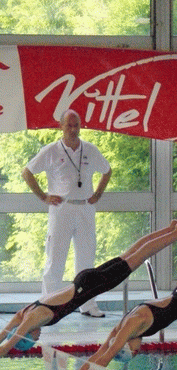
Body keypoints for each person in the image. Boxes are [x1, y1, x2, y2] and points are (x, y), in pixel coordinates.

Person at [0, 220, 177, 358]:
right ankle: (170, 228)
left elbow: (8, 344)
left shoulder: (34, 320)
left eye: (32, 339)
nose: (38, 338)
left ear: (25, 335)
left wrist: (7, 346)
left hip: (92, 285)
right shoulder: (24, 313)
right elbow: (5, 334)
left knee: (138, 256)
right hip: (82, 281)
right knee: (130, 254)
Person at [22, 109, 112, 318]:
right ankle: (48, 306)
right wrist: (43, 196)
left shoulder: (90, 149)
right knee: (55, 258)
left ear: (80, 126)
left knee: (86, 259)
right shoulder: (51, 150)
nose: (73, 129)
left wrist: (98, 193)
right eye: (69, 125)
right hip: (61, 209)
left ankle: (88, 304)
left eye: (76, 125)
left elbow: (107, 171)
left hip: (85, 208)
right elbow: (27, 172)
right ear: (61, 126)